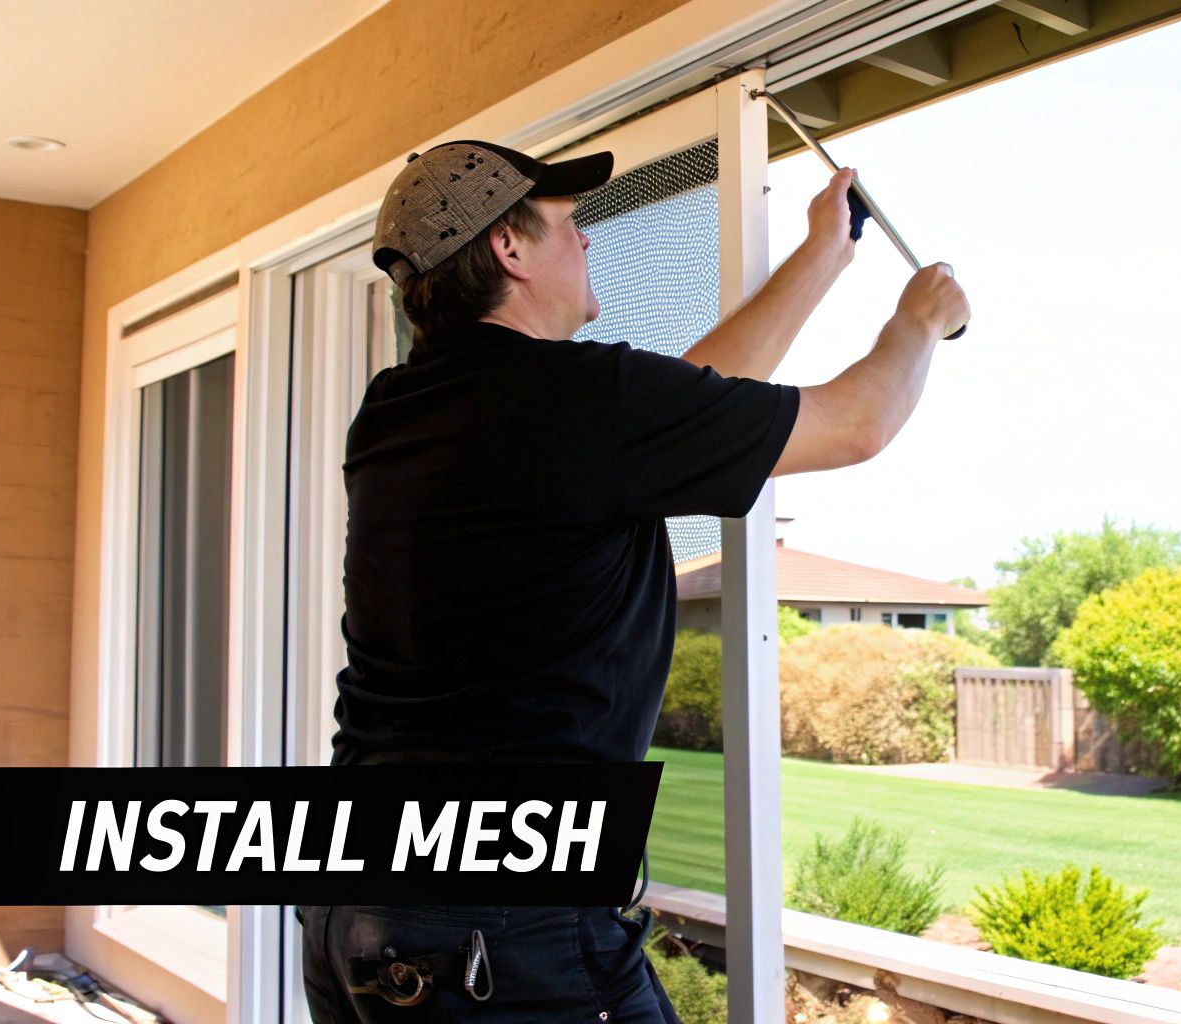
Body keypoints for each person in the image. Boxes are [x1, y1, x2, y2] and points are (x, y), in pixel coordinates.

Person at [298, 138, 968, 1022]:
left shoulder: (395, 410)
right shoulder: (578, 401)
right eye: (569, 225)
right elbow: (858, 424)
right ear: (509, 249)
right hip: (499, 925)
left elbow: (683, 403)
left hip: (354, 901)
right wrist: (919, 320)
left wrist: (820, 258)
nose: (588, 243)